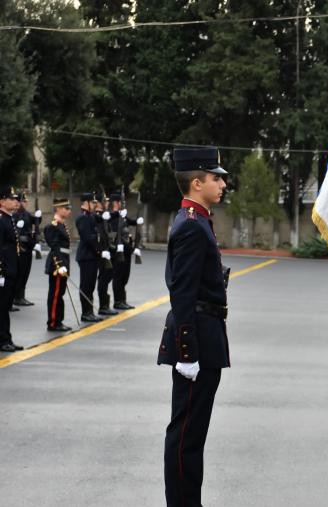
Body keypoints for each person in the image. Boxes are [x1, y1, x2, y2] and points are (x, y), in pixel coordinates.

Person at [158, 147, 229, 507]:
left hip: (207, 334)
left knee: (193, 433)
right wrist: (187, 353)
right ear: (197, 182)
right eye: (216, 177)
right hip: (196, 340)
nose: (222, 183)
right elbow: (182, 294)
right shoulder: (191, 225)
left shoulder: (197, 219)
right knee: (185, 434)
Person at [107, 192, 143, 310]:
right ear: (114, 203)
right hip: (118, 252)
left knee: (124, 277)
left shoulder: (121, 216)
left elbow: (129, 221)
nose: (120, 204)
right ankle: (118, 301)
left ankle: (123, 300)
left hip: (126, 252)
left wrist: (137, 221)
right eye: (119, 202)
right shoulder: (110, 216)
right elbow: (112, 229)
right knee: (118, 277)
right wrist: (118, 215)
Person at [44, 198, 73, 332]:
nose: (69, 211)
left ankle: (58, 321)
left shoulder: (61, 225)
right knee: (55, 295)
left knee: (60, 293)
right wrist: (60, 264)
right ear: (58, 209)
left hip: (63, 261)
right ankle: (53, 322)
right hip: (57, 265)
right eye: (66, 208)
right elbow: (54, 246)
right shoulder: (53, 226)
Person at [0, 186, 23, 352]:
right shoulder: (1, 219)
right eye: (11, 198)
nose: (15, 201)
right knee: (1, 307)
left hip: (10, 270)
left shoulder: (9, 218)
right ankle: (2, 340)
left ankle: (6, 337)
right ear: (2, 201)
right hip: (3, 271)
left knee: (5, 306)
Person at [75, 192, 103, 323]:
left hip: (92, 255)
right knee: (86, 286)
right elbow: (88, 238)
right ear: (86, 203)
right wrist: (98, 249)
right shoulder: (83, 217)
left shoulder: (90, 216)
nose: (94, 205)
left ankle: (89, 311)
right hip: (86, 256)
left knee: (90, 285)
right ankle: (86, 312)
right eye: (92, 203)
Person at [12, 192, 39, 307]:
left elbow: (35, 222)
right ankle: (16, 297)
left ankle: (21, 296)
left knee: (25, 273)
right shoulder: (14, 215)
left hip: (28, 247)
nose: (26, 203)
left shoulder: (26, 214)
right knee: (19, 273)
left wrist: (38, 217)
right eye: (24, 201)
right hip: (20, 248)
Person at [95, 195, 117, 316]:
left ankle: (105, 304)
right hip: (102, 253)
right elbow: (98, 236)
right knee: (103, 279)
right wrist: (102, 250)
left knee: (108, 276)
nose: (107, 203)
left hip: (108, 251)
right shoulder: (98, 216)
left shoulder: (105, 215)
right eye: (105, 202)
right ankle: (103, 305)